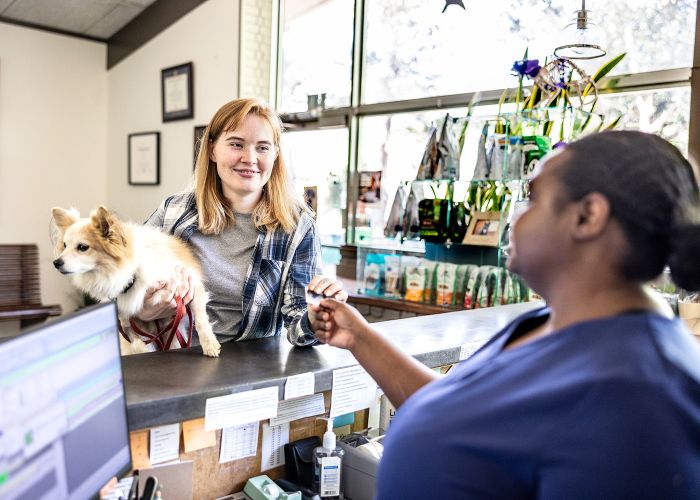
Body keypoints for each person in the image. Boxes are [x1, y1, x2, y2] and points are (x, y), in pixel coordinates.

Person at [311, 130, 700, 498]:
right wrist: (358, 338)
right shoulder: (547, 321)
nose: (512, 217)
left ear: (587, 216)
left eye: (533, 198)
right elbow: (456, 413)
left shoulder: (641, 398)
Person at [137, 98, 346, 346]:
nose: (250, 158)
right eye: (237, 144)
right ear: (212, 149)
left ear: (276, 154)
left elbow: (298, 331)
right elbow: (120, 281)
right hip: (169, 365)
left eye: (263, 147)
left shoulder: (297, 227)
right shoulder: (174, 210)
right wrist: (140, 309)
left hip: (247, 374)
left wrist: (316, 318)